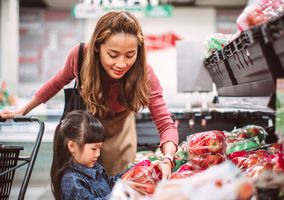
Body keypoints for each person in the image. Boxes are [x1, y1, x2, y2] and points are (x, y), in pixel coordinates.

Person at [0, 10, 178, 177]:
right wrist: (22, 110)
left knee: (113, 187)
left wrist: (168, 158)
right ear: (98, 47)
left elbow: (166, 124)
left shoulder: (144, 74)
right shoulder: (80, 56)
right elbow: (56, 83)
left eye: (130, 55)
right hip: (82, 135)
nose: (122, 63)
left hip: (119, 142)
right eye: (113, 54)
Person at [51, 110, 123, 200]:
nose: (98, 154)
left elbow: (107, 184)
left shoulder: (93, 166)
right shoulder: (71, 181)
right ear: (72, 146)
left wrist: (127, 176)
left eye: (99, 148)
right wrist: (120, 195)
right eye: (94, 149)